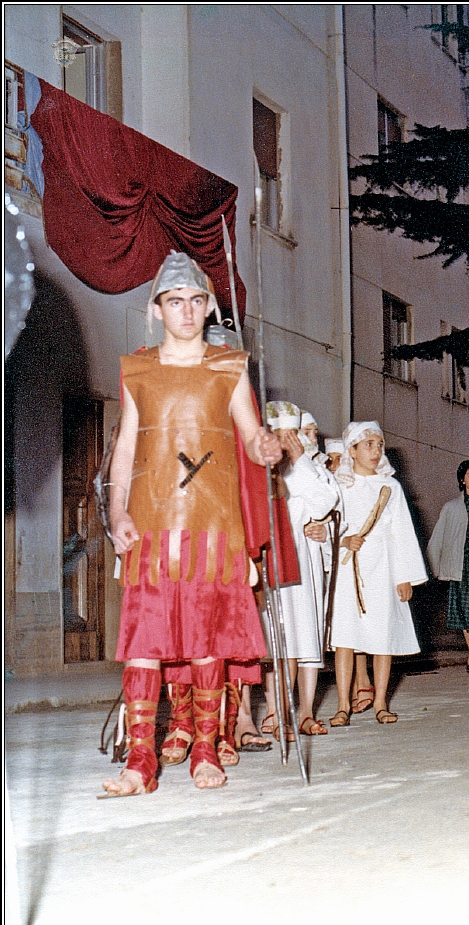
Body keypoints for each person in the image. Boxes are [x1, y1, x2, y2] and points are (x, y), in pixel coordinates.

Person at [102, 252, 282, 795]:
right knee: (143, 644)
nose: (186, 311)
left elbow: (251, 436)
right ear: (157, 310)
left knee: (207, 642)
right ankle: (139, 763)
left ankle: (206, 749)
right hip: (152, 526)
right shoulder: (137, 369)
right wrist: (116, 512)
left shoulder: (229, 368)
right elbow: (126, 445)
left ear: (208, 308)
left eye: (196, 301)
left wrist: (266, 445)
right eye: (174, 302)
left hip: (213, 527)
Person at [329, 422, 428, 725]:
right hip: (348, 568)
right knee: (345, 636)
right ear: (352, 450)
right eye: (368, 445)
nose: (375, 451)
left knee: (382, 636)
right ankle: (343, 705)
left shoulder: (391, 487)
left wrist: (405, 576)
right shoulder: (337, 485)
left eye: (379, 445)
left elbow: (401, 532)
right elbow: (328, 523)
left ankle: (381, 702)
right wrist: (343, 540)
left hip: (383, 568)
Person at [261, 401, 340, 738]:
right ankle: (276, 711)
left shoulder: (308, 468)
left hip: (302, 564)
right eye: (283, 435)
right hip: (271, 560)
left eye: (295, 435)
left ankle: (305, 711)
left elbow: (325, 504)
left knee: (305, 634)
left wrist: (301, 461)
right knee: (276, 637)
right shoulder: (262, 467)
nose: (290, 440)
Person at [428, 459, 469, 674]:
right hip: (463, 566)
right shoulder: (453, 508)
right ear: (462, 480)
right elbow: (445, 539)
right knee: (468, 611)